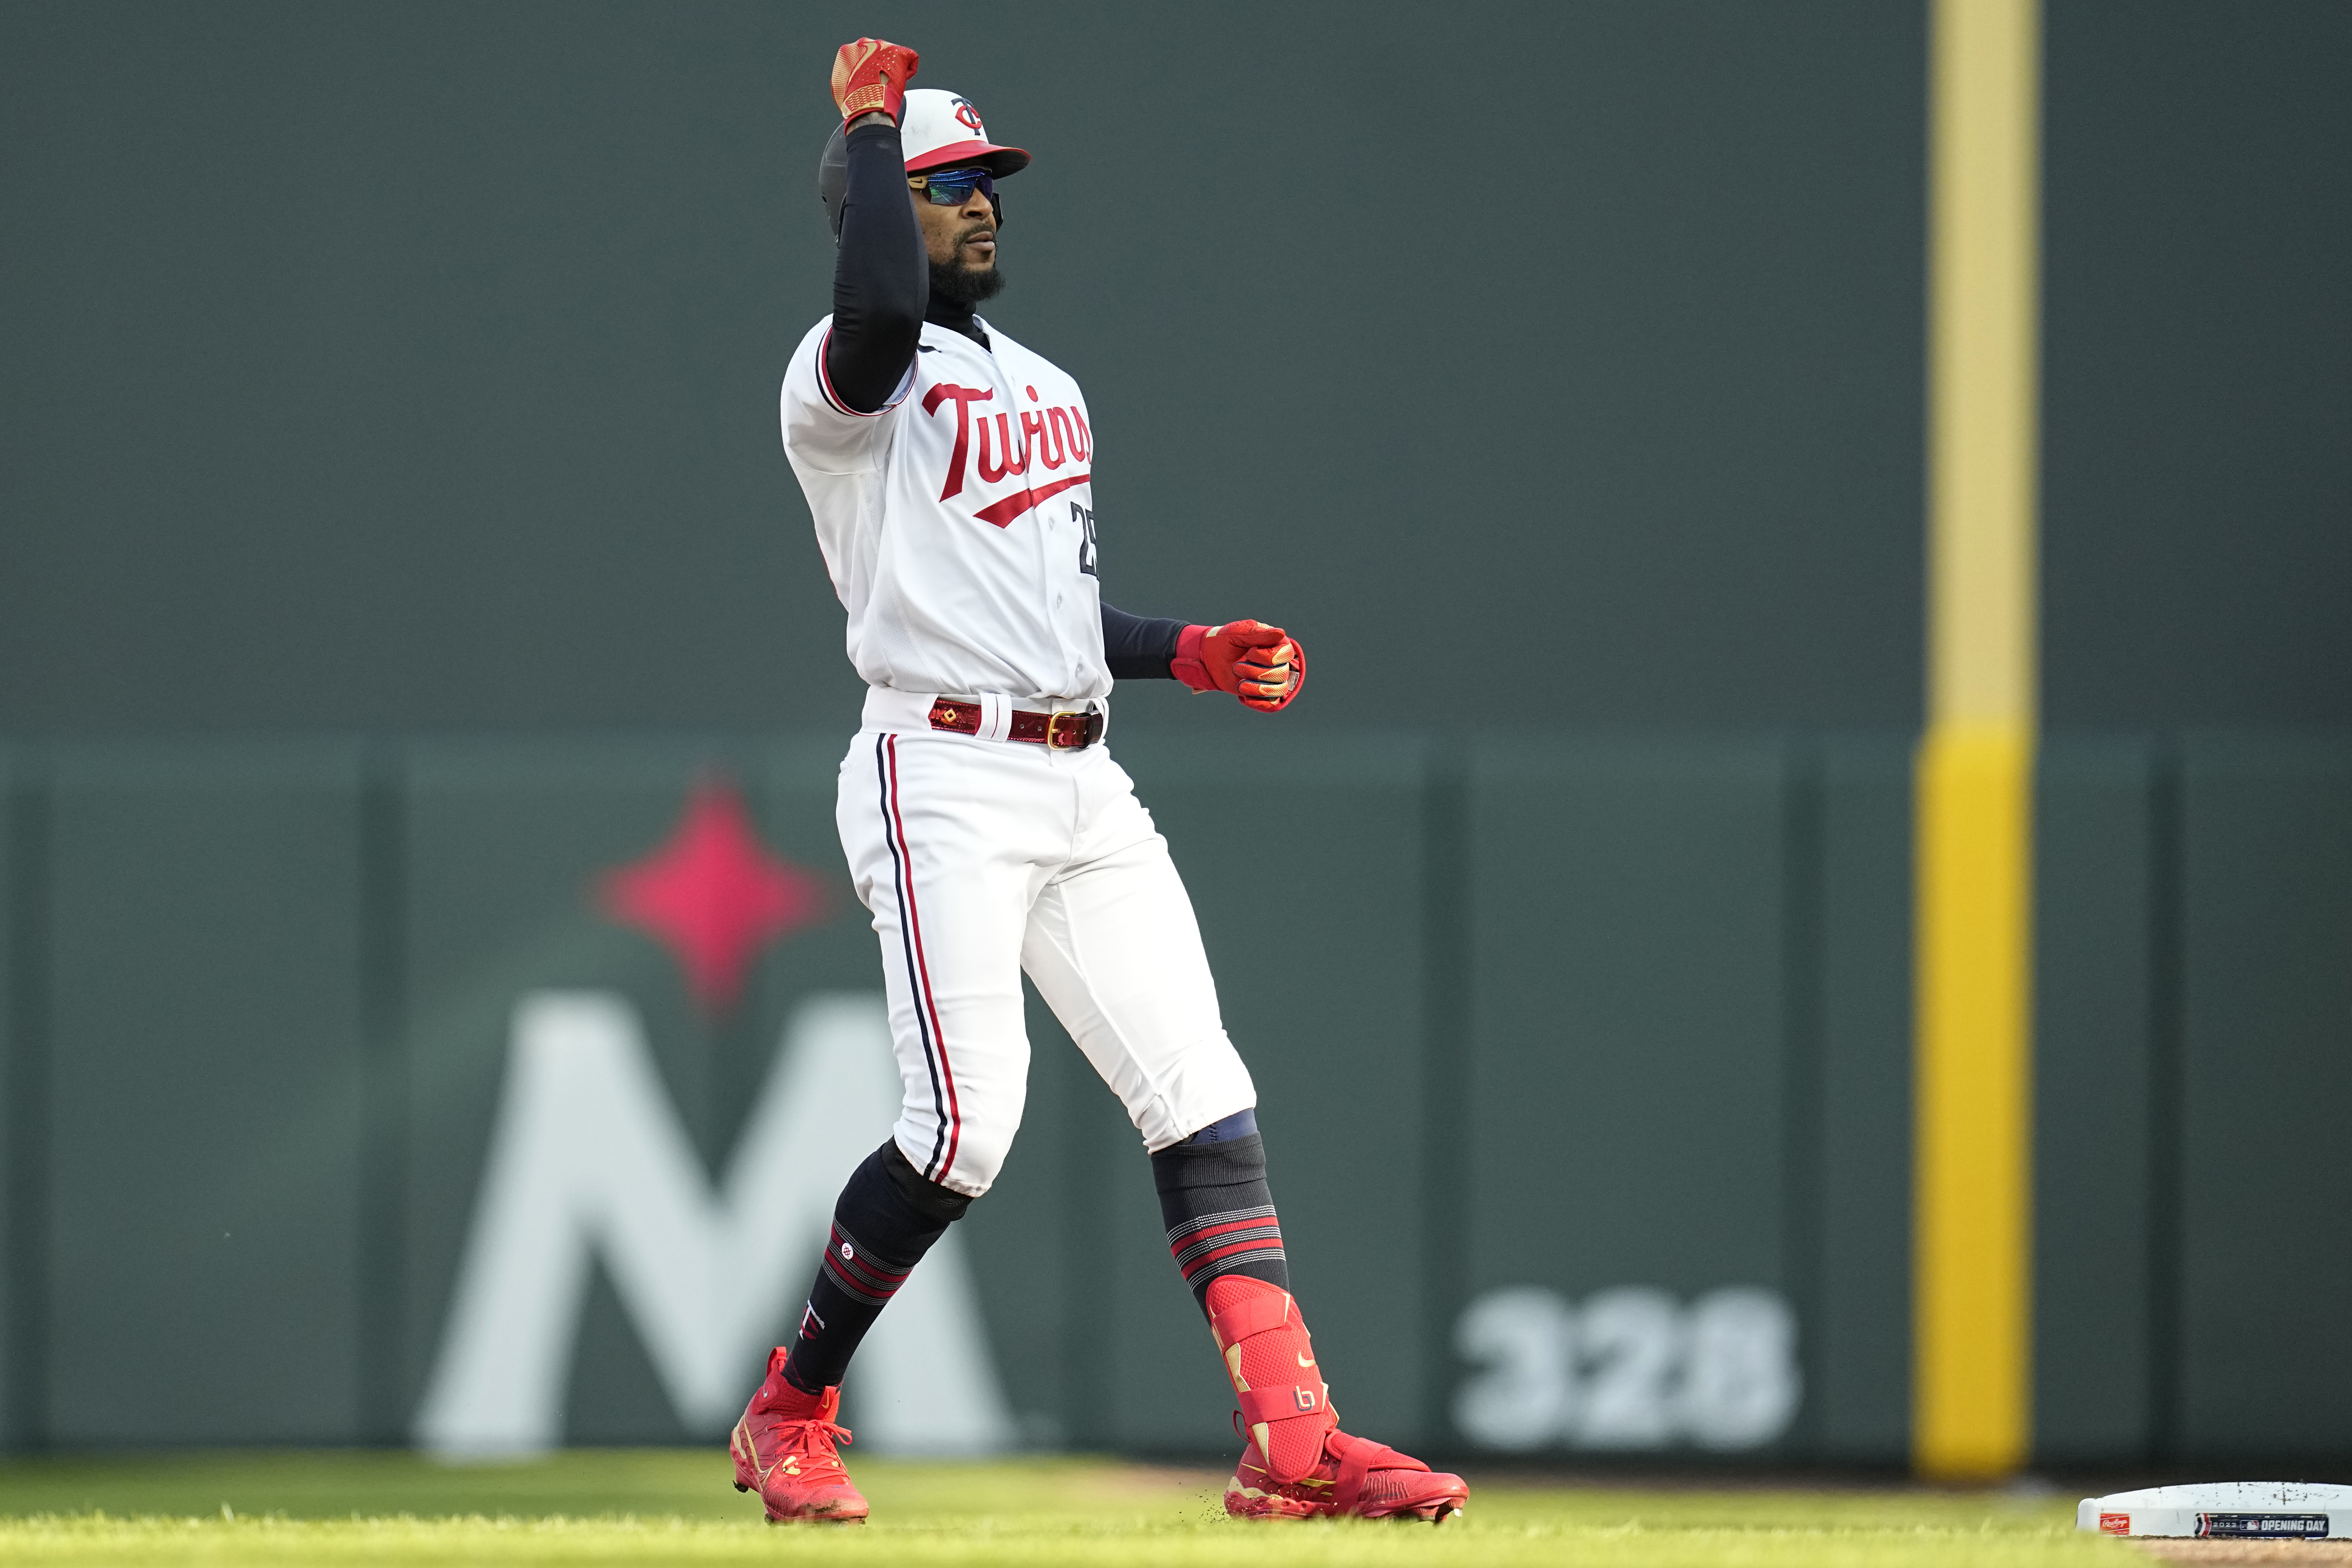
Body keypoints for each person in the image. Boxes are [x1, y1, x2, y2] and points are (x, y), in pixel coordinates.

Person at [729, 38, 1468, 1527]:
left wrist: (1179, 648)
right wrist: (871, 128)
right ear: (875, 202)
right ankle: (788, 1409)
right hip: (935, 771)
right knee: (962, 1133)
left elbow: (1052, 618)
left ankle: (1291, 1441)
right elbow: (876, 300)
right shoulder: (841, 379)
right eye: (947, 188)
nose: (982, 207)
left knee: (1200, 1092)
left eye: (988, 184)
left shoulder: (1049, 385)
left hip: (1079, 772)